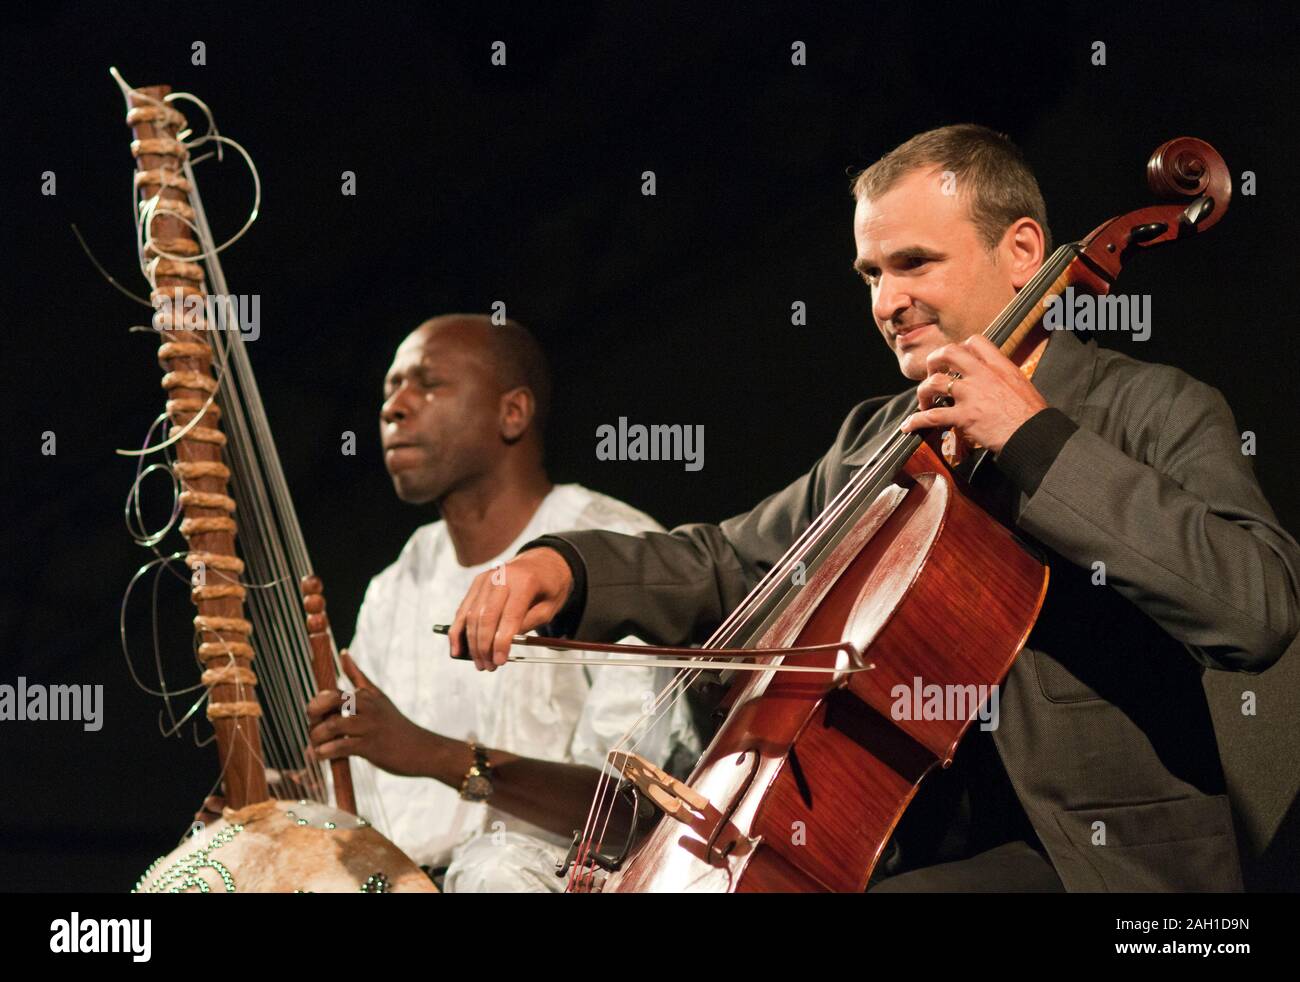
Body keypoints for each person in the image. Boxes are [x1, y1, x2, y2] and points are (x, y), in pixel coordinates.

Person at [449, 125, 1300, 892]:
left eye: (914, 264)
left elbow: (1257, 608)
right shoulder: (882, 437)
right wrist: (563, 565)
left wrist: (1033, 439)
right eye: (870, 274)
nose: (885, 302)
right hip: (899, 849)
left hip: (1107, 868)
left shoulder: (1152, 408)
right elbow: (732, 561)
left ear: (1024, 251)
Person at [306, 314, 697, 891]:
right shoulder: (397, 583)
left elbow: (631, 811)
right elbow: (377, 795)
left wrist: (434, 754)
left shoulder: (614, 553)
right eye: (391, 388)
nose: (395, 407)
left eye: (428, 384)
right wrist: (275, 793)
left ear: (512, 413)